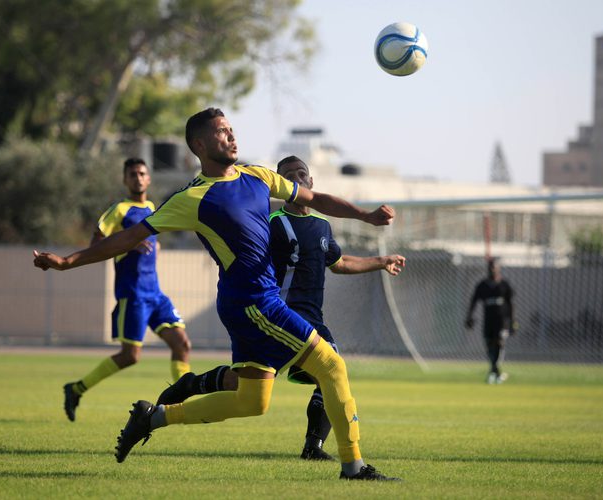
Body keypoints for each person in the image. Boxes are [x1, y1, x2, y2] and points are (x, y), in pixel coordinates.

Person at [33, 108, 399, 481]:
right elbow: (129, 237)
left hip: (248, 302)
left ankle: (153, 417)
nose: (231, 136)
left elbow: (316, 197)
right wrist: (68, 261)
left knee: (251, 401)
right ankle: (354, 467)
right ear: (200, 144)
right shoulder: (192, 198)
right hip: (255, 302)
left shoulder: (257, 176)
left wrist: (365, 217)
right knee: (332, 365)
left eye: (231, 129)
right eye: (222, 132)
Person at [155, 155, 406, 462]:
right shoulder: (272, 224)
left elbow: (338, 263)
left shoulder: (322, 225)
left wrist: (381, 262)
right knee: (331, 367)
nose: (297, 178)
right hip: (280, 313)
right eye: (289, 175)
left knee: (251, 388)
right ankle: (327, 453)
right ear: (282, 185)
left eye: (302, 173)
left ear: (311, 182)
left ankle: (192, 384)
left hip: (311, 315)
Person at [61, 158, 191, 422]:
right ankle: (76, 389)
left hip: (155, 293)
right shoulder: (119, 209)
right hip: (132, 294)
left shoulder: (153, 207)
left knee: (182, 344)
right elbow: (96, 243)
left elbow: (152, 242)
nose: (138, 178)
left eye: (142, 173)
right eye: (132, 174)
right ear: (125, 179)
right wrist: (127, 244)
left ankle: (180, 405)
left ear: (149, 179)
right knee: (130, 356)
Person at [465, 257, 516, 384]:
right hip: (488, 321)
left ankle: (494, 372)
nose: (492, 269)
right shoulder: (482, 285)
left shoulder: (504, 285)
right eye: (490, 267)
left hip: (501, 320)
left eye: (494, 267)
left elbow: (511, 304)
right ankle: (496, 372)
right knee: (489, 345)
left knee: (499, 343)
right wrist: (469, 317)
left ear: (498, 268)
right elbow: (474, 301)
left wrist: (512, 321)